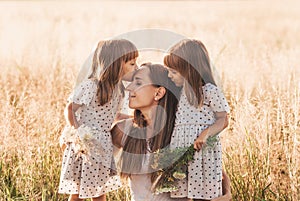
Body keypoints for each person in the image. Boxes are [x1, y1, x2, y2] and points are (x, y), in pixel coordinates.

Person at [58, 39, 138, 201]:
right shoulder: (91, 86)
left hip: (102, 144)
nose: (136, 67)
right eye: (132, 64)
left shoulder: (119, 89)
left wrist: (135, 118)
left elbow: (114, 116)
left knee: (99, 191)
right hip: (86, 143)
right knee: (79, 192)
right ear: (116, 64)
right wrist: (79, 132)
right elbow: (70, 109)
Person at [164, 39, 231, 201]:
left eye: (173, 72)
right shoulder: (179, 94)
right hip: (181, 152)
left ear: (189, 70)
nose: (169, 75)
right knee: (180, 195)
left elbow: (223, 119)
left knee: (203, 195)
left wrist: (205, 134)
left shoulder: (209, 91)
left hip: (203, 154)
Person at [111, 63, 188, 201]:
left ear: (158, 93)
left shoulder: (182, 132)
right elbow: (93, 163)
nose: (129, 88)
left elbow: (212, 170)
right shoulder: (123, 130)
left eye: (138, 82)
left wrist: (227, 192)